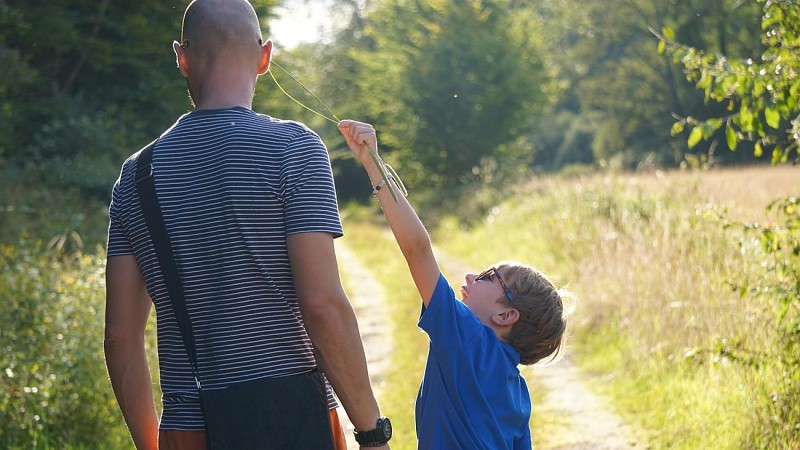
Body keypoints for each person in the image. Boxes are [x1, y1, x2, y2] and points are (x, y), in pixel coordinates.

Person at [103, 1, 389, 449]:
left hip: (188, 427)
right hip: (293, 419)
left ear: (181, 57)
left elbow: (120, 336)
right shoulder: (294, 149)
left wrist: (152, 444)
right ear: (265, 57)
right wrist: (371, 432)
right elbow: (322, 306)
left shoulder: (136, 176)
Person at [338, 120, 573, 450]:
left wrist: (372, 163)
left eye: (488, 276)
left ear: (506, 316)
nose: (469, 277)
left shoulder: (468, 338)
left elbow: (418, 249)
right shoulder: (518, 393)